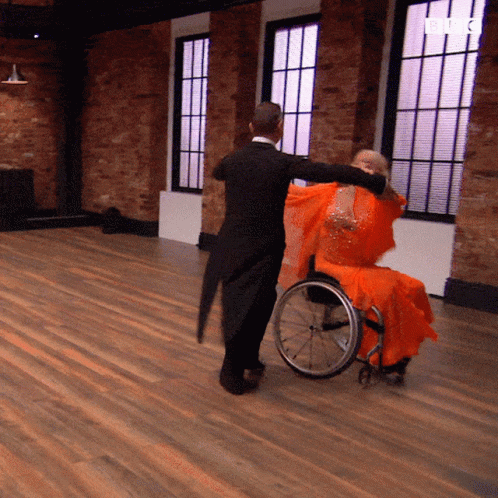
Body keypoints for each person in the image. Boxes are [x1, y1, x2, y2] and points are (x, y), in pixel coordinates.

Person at [197, 103, 390, 395]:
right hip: (265, 247)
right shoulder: (282, 162)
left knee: (251, 302)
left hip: (233, 243)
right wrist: (372, 180)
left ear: (250, 127)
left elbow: (217, 172)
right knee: (253, 304)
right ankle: (231, 371)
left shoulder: (233, 160)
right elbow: (328, 171)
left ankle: (247, 358)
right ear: (280, 128)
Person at [281, 150, 438, 384]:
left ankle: (397, 350)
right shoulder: (333, 191)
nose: (367, 168)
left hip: (358, 265)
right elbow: (303, 201)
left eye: (373, 166)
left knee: (413, 287)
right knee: (384, 292)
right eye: (363, 164)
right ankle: (385, 356)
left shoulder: (377, 198)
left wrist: (376, 185)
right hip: (331, 264)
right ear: (352, 166)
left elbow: (395, 200)